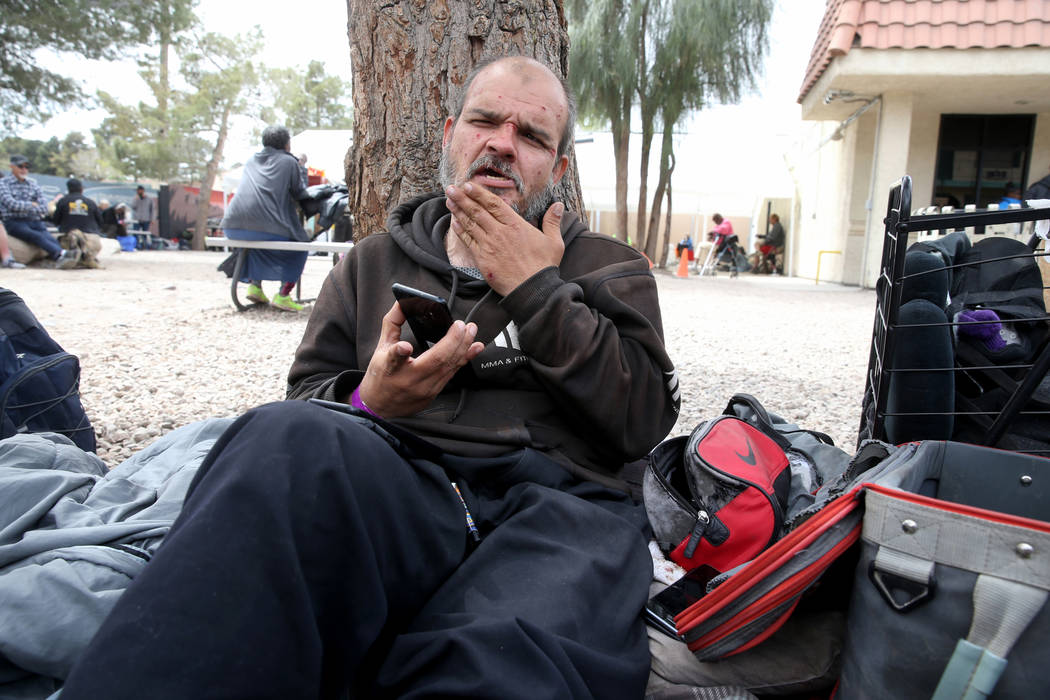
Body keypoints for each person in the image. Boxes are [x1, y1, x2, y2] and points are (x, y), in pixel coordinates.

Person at [60, 55, 681, 699]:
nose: (501, 144)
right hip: (401, 485)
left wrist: (537, 289)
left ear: (558, 168)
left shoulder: (609, 267)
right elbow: (304, 396)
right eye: (485, 121)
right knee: (279, 443)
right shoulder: (372, 261)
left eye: (531, 137)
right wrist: (368, 400)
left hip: (561, 507)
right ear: (449, 135)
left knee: (494, 666)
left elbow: (638, 426)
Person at [220, 125, 311, 312]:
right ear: (287, 144)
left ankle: (255, 286)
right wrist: (301, 169)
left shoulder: (252, 160)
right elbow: (299, 192)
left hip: (232, 224)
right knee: (301, 246)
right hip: (266, 226)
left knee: (256, 247)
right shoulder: (289, 162)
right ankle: (283, 295)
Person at [0, 155, 78, 269]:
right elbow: (11, 204)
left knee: (48, 236)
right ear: (11, 167)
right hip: (14, 222)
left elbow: (44, 207)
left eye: (27, 167)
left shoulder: (33, 184)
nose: (24, 169)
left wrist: (24, 206)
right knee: (36, 236)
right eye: (20, 166)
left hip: (34, 221)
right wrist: (32, 204)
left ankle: (62, 255)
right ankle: (60, 255)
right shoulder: (3, 183)